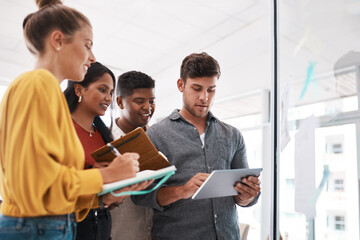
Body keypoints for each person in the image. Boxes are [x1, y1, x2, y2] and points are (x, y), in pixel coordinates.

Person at [0, 1, 147, 239]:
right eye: (87, 45)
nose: (92, 56)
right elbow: (35, 187)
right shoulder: (37, 84)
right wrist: (107, 175)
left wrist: (106, 192)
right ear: (58, 41)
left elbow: (53, 191)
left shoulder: (50, 93)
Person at [132, 52, 262, 240]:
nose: (204, 97)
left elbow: (244, 197)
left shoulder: (233, 135)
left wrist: (247, 196)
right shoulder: (156, 134)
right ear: (181, 85)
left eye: (211, 90)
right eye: (197, 88)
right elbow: (142, 196)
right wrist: (182, 190)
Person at [64, 62, 149, 240]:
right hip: (70, 226)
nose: (109, 99)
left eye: (111, 92)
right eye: (102, 90)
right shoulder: (61, 130)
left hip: (102, 228)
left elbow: (105, 195)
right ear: (79, 90)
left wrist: (123, 190)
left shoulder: (104, 136)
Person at [111, 71, 156, 240]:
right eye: (139, 101)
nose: (148, 107)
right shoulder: (105, 141)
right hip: (120, 234)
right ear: (120, 102)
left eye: (151, 101)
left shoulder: (159, 138)